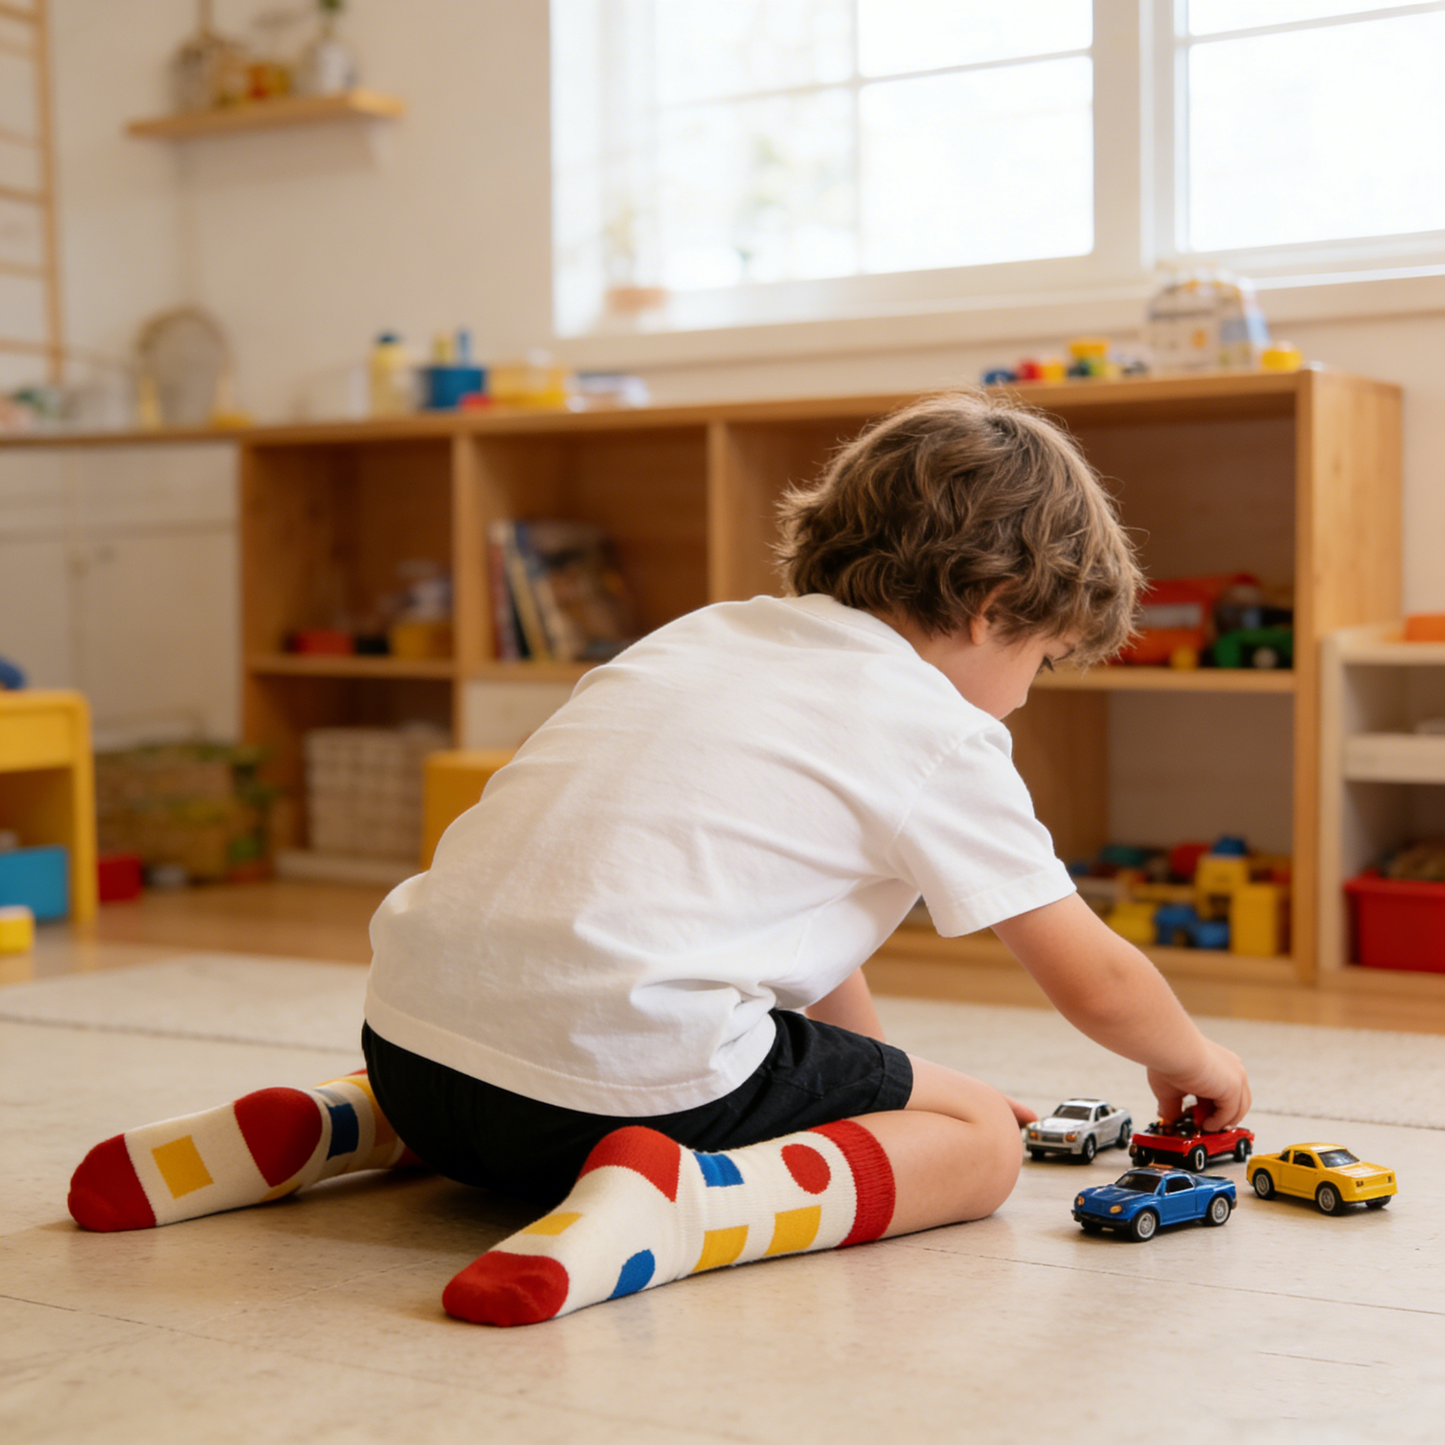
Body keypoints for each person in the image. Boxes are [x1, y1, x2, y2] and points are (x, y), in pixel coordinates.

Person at [67, 391, 1251, 1326]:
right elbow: (1088, 976)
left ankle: (334, 1124)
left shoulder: (705, 634)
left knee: (541, 1061)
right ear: (993, 607)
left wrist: (884, 1086)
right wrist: (1194, 1057)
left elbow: (793, 945)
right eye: (1042, 657)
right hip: (612, 1096)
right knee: (984, 1144)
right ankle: (674, 1209)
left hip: (416, 1047)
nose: (1025, 691)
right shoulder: (936, 729)